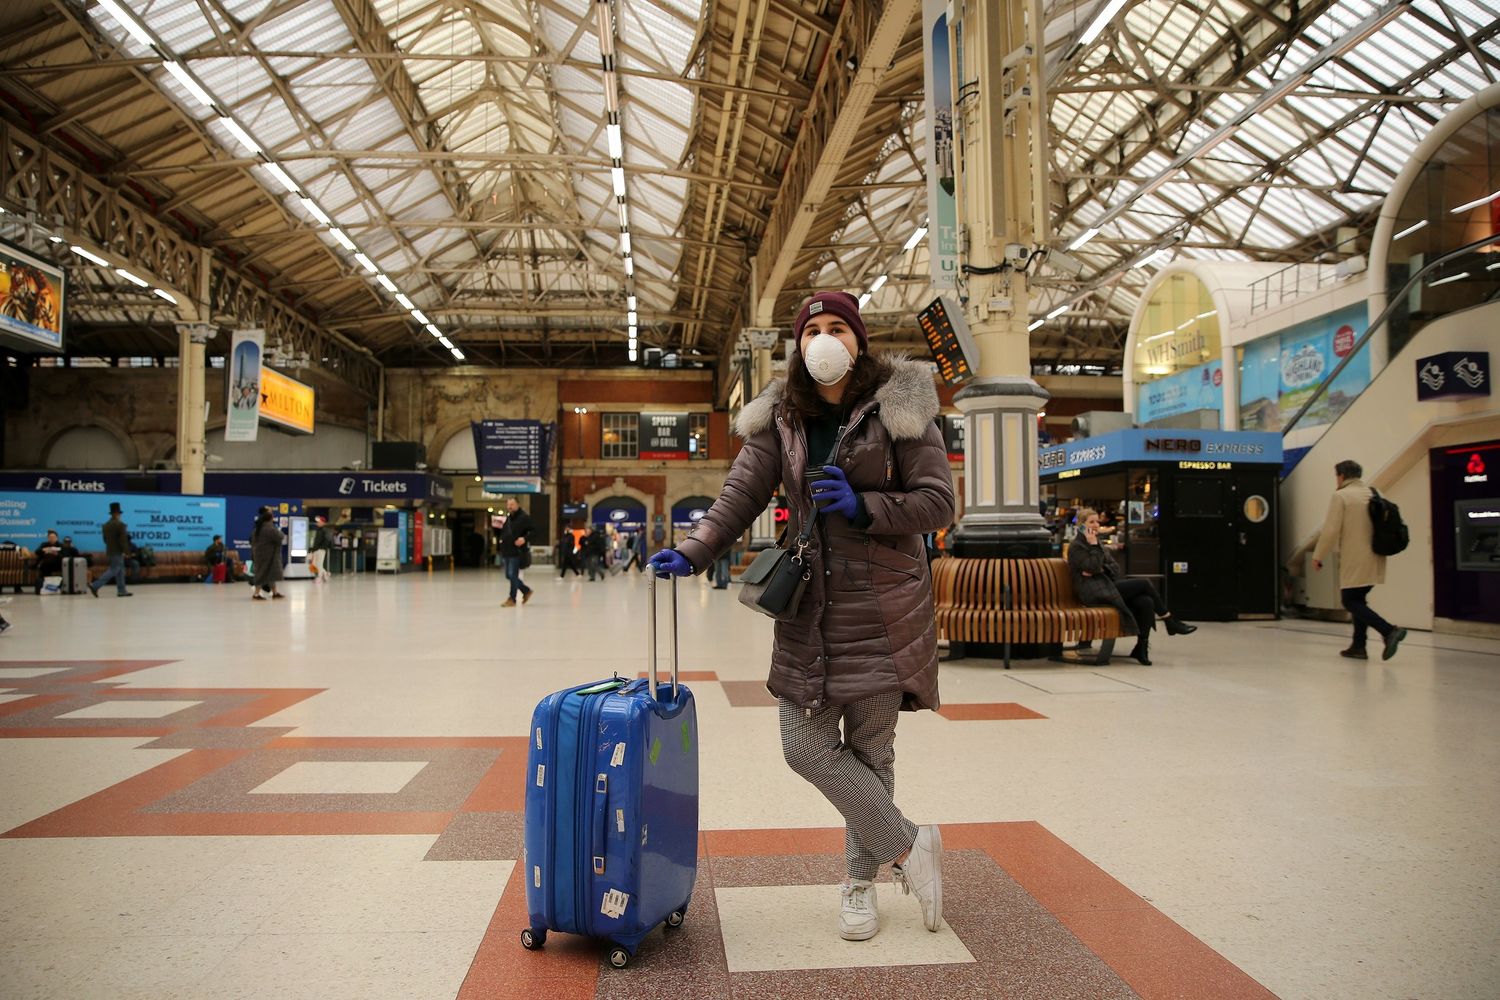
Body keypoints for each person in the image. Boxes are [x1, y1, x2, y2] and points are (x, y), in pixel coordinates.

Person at [648, 290, 954, 943]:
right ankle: (909, 846)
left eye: (836, 326)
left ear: (858, 339)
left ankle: (858, 887)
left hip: (885, 606)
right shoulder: (780, 418)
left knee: (872, 750)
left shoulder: (904, 411)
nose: (823, 337)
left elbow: (936, 504)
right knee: (804, 746)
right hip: (810, 606)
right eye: (812, 327)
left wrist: (865, 505)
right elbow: (738, 496)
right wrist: (695, 549)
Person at [1068, 507, 1195, 665]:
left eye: (1097, 521)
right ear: (1081, 525)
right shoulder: (1077, 546)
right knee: (1144, 583)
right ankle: (1169, 620)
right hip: (1092, 592)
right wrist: (1094, 554)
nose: (1096, 525)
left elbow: (1115, 568)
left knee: (1146, 601)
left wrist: (1100, 569)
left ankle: (1141, 647)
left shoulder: (1098, 544)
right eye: (1091, 522)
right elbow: (1092, 567)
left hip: (1107, 585)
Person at [1312, 459, 1407, 661]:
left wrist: (1318, 556)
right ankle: (1358, 646)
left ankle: (1389, 631)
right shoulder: (1375, 492)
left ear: (1341, 476)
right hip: (1377, 555)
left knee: (1350, 600)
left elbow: (1330, 530)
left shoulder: (1341, 496)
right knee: (1358, 599)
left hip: (1355, 558)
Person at [89, 502, 133, 598]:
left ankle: (122, 591)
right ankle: (95, 585)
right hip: (117, 551)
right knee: (114, 570)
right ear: (118, 514)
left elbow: (105, 539)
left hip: (110, 550)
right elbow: (123, 541)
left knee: (120, 571)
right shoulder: (121, 525)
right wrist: (127, 552)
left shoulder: (106, 525)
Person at [498, 497, 534, 606]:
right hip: (506, 551)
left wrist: (524, 539)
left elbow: (535, 531)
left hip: (516, 552)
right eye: (508, 505)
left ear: (518, 505)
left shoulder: (524, 518)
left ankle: (512, 599)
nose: (509, 507)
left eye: (512, 504)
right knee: (508, 576)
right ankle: (526, 590)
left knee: (512, 575)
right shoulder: (509, 519)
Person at [250, 508, 285, 600]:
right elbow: (280, 536)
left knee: (268, 574)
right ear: (270, 518)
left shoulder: (258, 528)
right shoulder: (269, 528)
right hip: (268, 555)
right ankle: (256, 594)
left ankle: (274, 592)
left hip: (260, 554)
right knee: (262, 574)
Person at [33, 529, 64, 593]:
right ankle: (45, 587)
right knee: (46, 563)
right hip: (46, 564)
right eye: (50, 537)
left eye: (53, 537)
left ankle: (56, 587)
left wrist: (57, 554)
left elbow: (64, 556)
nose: (52, 539)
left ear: (56, 538)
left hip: (57, 564)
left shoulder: (61, 545)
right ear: (48, 538)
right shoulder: (44, 544)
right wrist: (44, 550)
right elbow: (37, 552)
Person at [309, 517, 335, 583]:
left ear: (323, 523)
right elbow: (316, 541)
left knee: (319, 564)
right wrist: (313, 549)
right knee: (315, 564)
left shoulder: (325, 530)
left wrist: (322, 547)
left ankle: (319, 577)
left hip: (320, 550)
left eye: (319, 521)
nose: (318, 523)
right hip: (316, 549)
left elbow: (327, 540)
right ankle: (325, 574)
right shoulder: (319, 530)